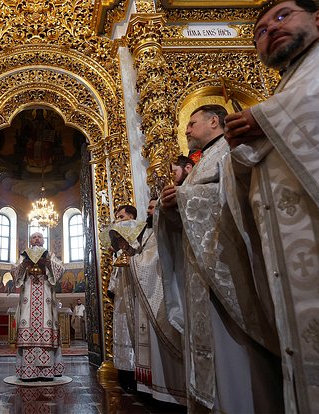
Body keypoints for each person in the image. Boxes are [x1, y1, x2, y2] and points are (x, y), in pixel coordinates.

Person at [224, 0, 319, 410]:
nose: (270, 30)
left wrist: (270, 119)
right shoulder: (285, 89)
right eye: (260, 30)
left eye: (282, 16)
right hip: (296, 253)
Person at [156, 105, 283, 412]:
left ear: (214, 121)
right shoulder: (203, 162)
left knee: (235, 352)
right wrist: (170, 210)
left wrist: (183, 198)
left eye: (192, 123)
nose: (186, 130)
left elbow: (237, 196)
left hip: (228, 267)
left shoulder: (229, 149)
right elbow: (189, 218)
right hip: (201, 270)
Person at [128, 198, 186, 404]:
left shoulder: (161, 230)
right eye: (150, 208)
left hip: (162, 290)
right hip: (149, 290)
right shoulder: (147, 234)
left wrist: (133, 260)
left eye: (153, 207)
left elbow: (159, 256)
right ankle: (154, 388)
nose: (151, 212)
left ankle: (170, 391)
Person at [11, 232, 65, 381]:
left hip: (46, 293)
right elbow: (14, 272)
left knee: (47, 324)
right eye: (34, 237)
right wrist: (24, 265)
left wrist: (46, 262)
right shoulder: (24, 255)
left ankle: (48, 371)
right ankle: (27, 371)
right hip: (28, 295)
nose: (36, 239)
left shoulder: (50, 255)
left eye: (39, 237)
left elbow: (61, 270)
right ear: (30, 240)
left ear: (43, 240)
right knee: (27, 324)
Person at [106, 205, 141, 391]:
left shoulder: (139, 232)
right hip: (121, 292)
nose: (118, 220)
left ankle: (137, 374)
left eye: (121, 216)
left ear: (132, 216)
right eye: (117, 217)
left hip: (135, 291)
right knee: (122, 330)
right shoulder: (120, 243)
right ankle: (124, 374)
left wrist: (128, 247)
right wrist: (111, 288)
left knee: (133, 330)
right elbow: (117, 269)